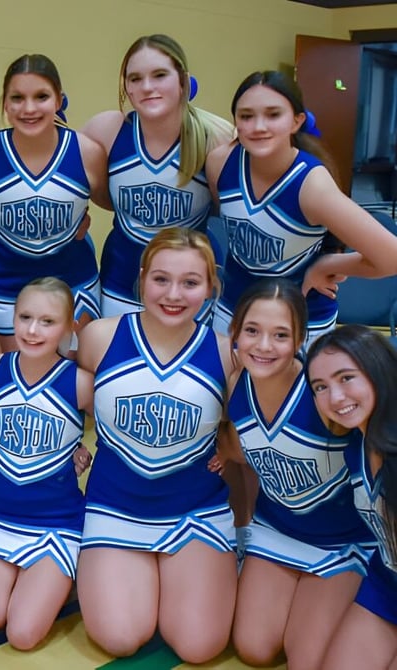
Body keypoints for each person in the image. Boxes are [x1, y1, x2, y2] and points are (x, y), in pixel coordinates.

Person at [76, 228, 235, 663]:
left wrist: (231, 450)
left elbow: (253, 420)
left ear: (210, 287)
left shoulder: (227, 353)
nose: (174, 294)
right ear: (142, 277)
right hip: (114, 507)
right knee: (120, 637)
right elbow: (63, 396)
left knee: (199, 646)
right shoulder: (100, 338)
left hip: (195, 513)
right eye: (161, 279)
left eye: (190, 282)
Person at [212, 278, 372, 668]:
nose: (264, 346)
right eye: (252, 331)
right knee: (254, 648)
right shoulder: (235, 384)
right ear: (235, 333)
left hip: (342, 543)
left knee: (307, 659)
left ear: (300, 338)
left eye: (280, 335)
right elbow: (245, 448)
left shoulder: (324, 396)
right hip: (276, 529)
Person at [206, 70, 397, 346]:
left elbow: (391, 256)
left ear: (297, 121)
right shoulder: (219, 162)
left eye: (273, 115)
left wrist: (328, 265)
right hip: (233, 312)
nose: (259, 126)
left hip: (299, 324)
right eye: (246, 116)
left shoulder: (312, 186)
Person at [0, 277, 93, 650]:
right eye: (25, 317)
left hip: (55, 527)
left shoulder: (82, 384)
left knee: (22, 635)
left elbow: (119, 435)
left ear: (69, 328)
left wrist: (81, 449)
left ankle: (63, 575)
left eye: (48, 322)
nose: (33, 330)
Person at [82, 35, 234, 318]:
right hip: (121, 282)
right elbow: (84, 188)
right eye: (135, 78)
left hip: (190, 289)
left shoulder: (215, 136)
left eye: (160, 75)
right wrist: (78, 216)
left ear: (183, 81)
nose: (147, 87)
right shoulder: (105, 130)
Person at [0, 54, 108, 350]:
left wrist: (79, 219)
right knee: (11, 384)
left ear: (59, 100)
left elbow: (111, 203)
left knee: (72, 385)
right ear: (4, 103)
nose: (28, 108)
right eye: (17, 98)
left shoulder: (87, 153)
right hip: (7, 286)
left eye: (41, 96)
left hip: (75, 283)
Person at [308, 325, 397, 669]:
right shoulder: (356, 445)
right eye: (321, 387)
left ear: (378, 371)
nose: (336, 397)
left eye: (346, 378)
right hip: (387, 581)